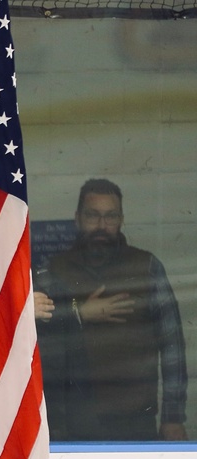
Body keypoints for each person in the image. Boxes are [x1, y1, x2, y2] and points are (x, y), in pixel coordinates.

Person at [37, 179, 187, 441]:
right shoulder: (54, 270)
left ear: (121, 219)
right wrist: (79, 312)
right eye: (93, 216)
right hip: (69, 422)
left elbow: (173, 345)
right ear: (78, 218)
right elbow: (35, 333)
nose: (102, 226)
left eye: (110, 216)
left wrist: (173, 417)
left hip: (135, 419)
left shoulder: (146, 267)